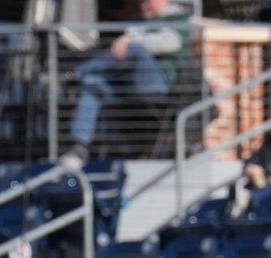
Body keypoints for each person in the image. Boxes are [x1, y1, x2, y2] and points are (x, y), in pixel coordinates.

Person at [58, 0, 192, 168]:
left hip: (156, 83)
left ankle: (75, 74)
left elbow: (170, 43)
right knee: (93, 86)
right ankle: (78, 149)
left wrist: (131, 40)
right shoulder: (139, 20)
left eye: (147, 1)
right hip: (128, 82)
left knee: (136, 49)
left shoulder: (177, 19)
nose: (142, 5)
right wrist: (125, 43)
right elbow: (120, 51)